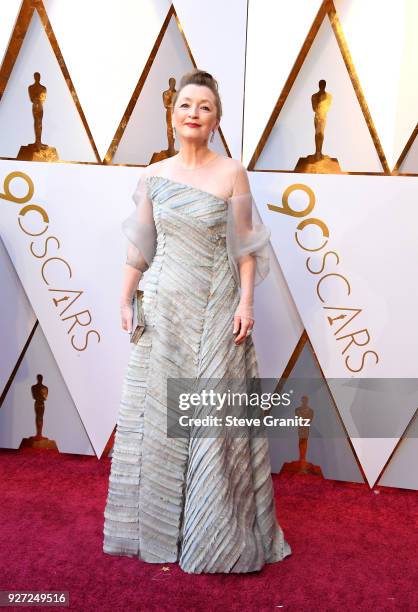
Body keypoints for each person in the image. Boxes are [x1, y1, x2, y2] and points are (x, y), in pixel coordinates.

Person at [103, 69, 292, 574]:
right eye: (186, 104)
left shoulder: (232, 172)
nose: (193, 113)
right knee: (157, 420)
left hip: (216, 308)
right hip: (164, 308)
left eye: (204, 107)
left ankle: (214, 535)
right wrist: (125, 298)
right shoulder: (154, 176)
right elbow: (140, 245)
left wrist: (246, 304)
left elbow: (246, 248)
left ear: (216, 120)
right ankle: (157, 531)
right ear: (173, 114)